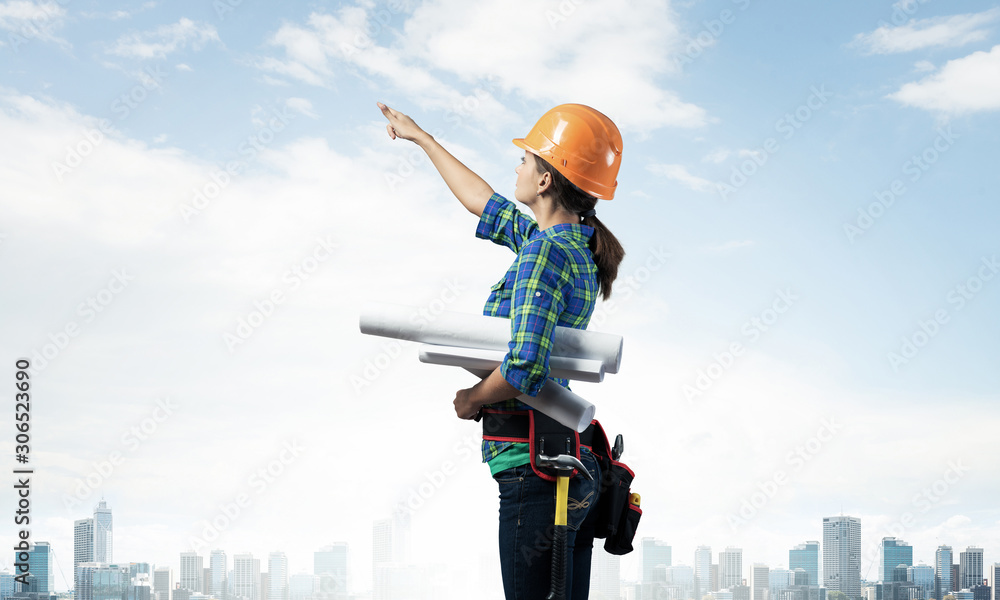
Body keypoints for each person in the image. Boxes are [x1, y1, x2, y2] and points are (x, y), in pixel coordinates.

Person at [378, 101, 626, 600]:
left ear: (544, 182)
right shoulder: (571, 245)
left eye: (526, 159)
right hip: (572, 468)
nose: (517, 165)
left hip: (534, 471)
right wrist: (422, 138)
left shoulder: (543, 252)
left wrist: (472, 399)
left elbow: (525, 366)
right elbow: (484, 203)